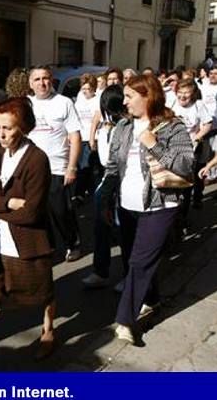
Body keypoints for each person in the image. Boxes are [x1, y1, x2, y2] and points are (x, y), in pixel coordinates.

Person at [100, 75, 194, 344]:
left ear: (148, 96)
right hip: (127, 205)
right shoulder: (123, 127)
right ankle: (151, 299)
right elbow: (113, 167)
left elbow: (186, 165)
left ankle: (125, 320)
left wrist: (154, 144)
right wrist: (106, 199)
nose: (125, 101)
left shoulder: (172, 126)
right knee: (135, 258)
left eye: (130, 96)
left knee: (140, 262)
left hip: (160, 204)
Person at [0, 97, 55, 370]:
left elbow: (31, 213)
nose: (2, 134)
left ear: (24, 127)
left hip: (29, 244)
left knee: (43, 293)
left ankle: (49, 332)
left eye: (8, 128)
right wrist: (6, 204)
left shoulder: (37, 159)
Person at [28, 65, 82, 262]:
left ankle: (72, 242)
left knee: (60, 211)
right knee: (38, 212)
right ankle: (48, 247)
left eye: (46, 78)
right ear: (30, 83)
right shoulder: (26, 104)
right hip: (33, 170)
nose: (42, 83)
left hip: (58, 168)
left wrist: (72, 167)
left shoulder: (64, 103)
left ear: (52, 81)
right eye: (37, 79)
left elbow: (75, 137)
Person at [82, 85, 127, 288]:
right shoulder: (105, 125)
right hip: (106, 180)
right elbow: (103, 156)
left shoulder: (128, 126)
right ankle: (100, 271)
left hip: (124, 182)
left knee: (124, 230)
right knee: (101, 229)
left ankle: (129, 276)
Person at [172, 79, 213, 212]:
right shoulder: (171, 103)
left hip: (190, 148)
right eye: (180, 92)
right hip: (172, 147)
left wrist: (197, 137)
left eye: (186, 93)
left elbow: (208, 123)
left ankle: (184, 213)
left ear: (193, 93)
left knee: (186, 182)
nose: (182, 96)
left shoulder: (198, 105)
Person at [73, 73, 100, 201]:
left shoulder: (97, 100)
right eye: (83, 89)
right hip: (80, 136)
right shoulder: (80, 97)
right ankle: (84, 190)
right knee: (79, 165)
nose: (85, 92)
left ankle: (80, 193)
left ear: (94, 88)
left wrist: (92, 138)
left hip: (91, 137)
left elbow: (96, 120)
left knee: (86, 165)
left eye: (88, 89)